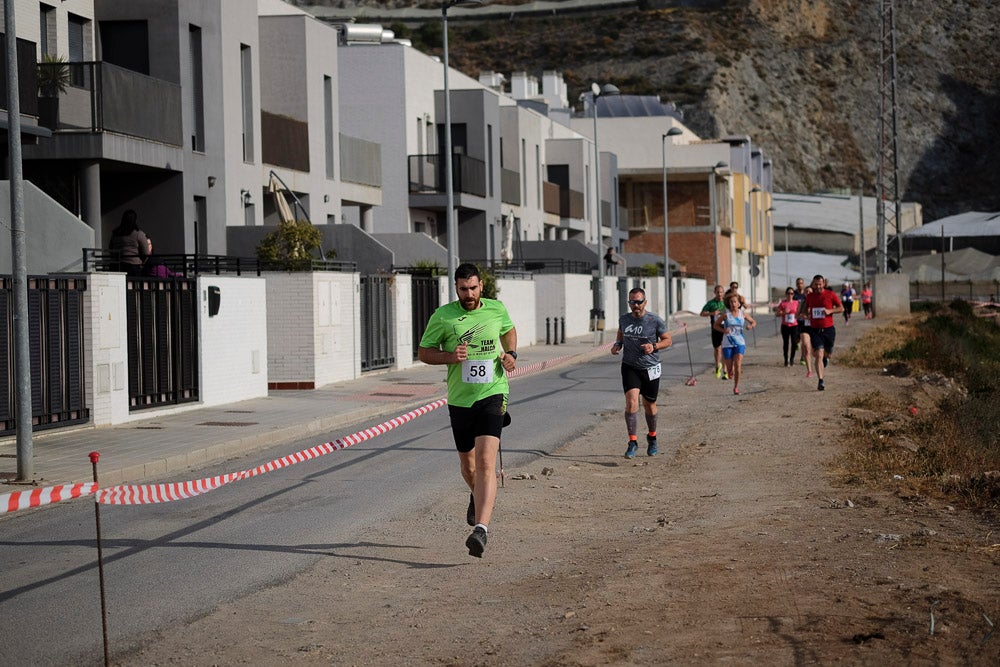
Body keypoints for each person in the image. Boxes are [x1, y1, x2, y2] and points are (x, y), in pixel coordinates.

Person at [417, 263, 517, 558]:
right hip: (460, 400)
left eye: (473, 288)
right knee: (469, 467)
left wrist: (511, 354)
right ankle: (477, 496)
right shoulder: (443, 316)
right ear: (456, 288)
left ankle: (481, 530)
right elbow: (424, 352)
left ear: (481, 286)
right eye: (463, 289)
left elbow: (510, 332)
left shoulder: (496, 309)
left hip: (493, 393)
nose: (469, 294)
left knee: (486, 463)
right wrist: (450, 356)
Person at [611, 287, 672, 459]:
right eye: (632, 302)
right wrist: (618, 344)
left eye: (638, 302)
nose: (635, 305)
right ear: (629, 303)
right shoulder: (624, 319)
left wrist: (654, 346)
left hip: (650, 367)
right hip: (630, 366)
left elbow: (668, 340)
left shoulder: (654, 320)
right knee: (631, 403)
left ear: (645, 302)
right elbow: (621, 332)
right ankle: (632, 442)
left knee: (649, 405)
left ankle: (652, 437)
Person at [805, 274, 844, 391]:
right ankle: (820, 380)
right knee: (819, 354)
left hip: (828, 330)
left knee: (827, 354)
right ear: (813, 284)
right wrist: (806, 314)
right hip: (815, 330)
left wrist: (830, 311)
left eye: (820, 284)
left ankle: (826, 358)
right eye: (816, 284)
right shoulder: (810, 296)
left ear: (823, 284)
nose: (818, 286)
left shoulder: (830, 294)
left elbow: (841, 308)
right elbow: (806, 308)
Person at [715, 293, 755, 395]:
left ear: (738, 303)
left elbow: (753, 322)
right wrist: (724, 331)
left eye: (735, 302)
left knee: (738, 364)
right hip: (727, 343)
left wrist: (750, 326)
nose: (733, 304)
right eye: (731, 302)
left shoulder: (742, 314)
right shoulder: (726, 315)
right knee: (729, 368)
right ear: (729, 304)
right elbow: (715, 326)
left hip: (739, 342)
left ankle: (736, 387)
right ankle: (730, 371)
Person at [108, 209, 149, 276]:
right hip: (133, 266)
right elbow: (146, 252)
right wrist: (142, 263)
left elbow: (110, 248)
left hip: (116, 265)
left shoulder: (116, 233)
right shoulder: (138, 234)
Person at [700, 284, 728, 379]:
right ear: (715, 293)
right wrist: (712, 313)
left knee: (724, 348)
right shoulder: (711, 303)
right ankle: (717, 365)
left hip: (725, 328)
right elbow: (702, 313)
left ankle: (725, 370)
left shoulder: (727, 302)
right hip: (715, 328)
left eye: (721, 292)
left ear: (723, 293)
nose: (719, 294)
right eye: (718, 292)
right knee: (717, 349)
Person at [774, 287, 800, 367]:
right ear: (786, 294)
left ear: (793, 295)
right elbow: (777, 314)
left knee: (794, 343)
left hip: (794, 326)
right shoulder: (783, 303)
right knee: (786, 343)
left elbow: (799, 313)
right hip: (785, 326)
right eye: (788, 293)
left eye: (791, 293)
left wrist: (797, 315)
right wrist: (783, 313)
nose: (790, 295)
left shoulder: (796, 303)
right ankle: (786, 360)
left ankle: (792, 359)